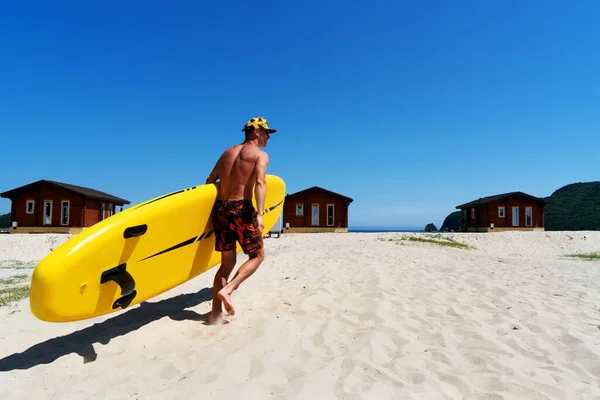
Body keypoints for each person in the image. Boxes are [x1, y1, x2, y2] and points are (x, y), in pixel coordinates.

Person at [205, 116, 276, 324]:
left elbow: (210, 181)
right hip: (241, 210)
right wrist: (260, 214)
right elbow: (260, 182)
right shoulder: (259, 155)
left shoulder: (227, 153)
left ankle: (215, 314)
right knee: (257, 255)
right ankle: (229, 289)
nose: (268, 137)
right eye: (265, 133)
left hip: (220, 210)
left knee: (226, 264)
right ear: (255, 131)